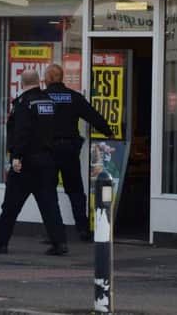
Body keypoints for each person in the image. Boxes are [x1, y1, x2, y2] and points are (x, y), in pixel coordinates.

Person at [0, 69, 68, 256]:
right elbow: (56, 132)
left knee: (11, 205)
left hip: (26, 164)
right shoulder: (50, 103)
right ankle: (60, 243)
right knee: (50, 204)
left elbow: (21, 133)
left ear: (22, 84)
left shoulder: (23, 104)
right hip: (47, 161)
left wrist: (16, 158)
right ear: (40, 82)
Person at [44, 63, 113, 241]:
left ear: (48, 79)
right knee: (75, 190)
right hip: (69, 150)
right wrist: (109, 132)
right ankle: (82, 229)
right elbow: (93, 116)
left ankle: (54, 232)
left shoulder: (42, 97)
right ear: (61, 78)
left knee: (48, 192)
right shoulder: (73, 97)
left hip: (48, 151)